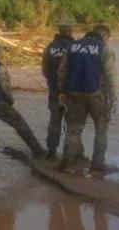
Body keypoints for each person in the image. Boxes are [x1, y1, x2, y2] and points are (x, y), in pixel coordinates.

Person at [58, 24, 117, 172]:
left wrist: (62, 92)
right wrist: (113, 98)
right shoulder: (104, 48)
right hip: (96, 95)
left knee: (73, 130)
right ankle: (97, 164)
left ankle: (67, 163)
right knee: (101, 129)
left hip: (75, 94)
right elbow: (110, 75)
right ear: (104, 37)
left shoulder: (72, 46)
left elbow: (62, 71)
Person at [41, 18, 83, 161]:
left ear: (59, 30)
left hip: (54, 90)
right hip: (73, 90)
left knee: (54, 121)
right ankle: (75, 153)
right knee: (73, 123)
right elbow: (80, 69)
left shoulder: (50, 47)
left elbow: (45, 70)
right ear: (70, 30)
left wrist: (53, 85)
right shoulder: (75, 46)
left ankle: (51, 151)